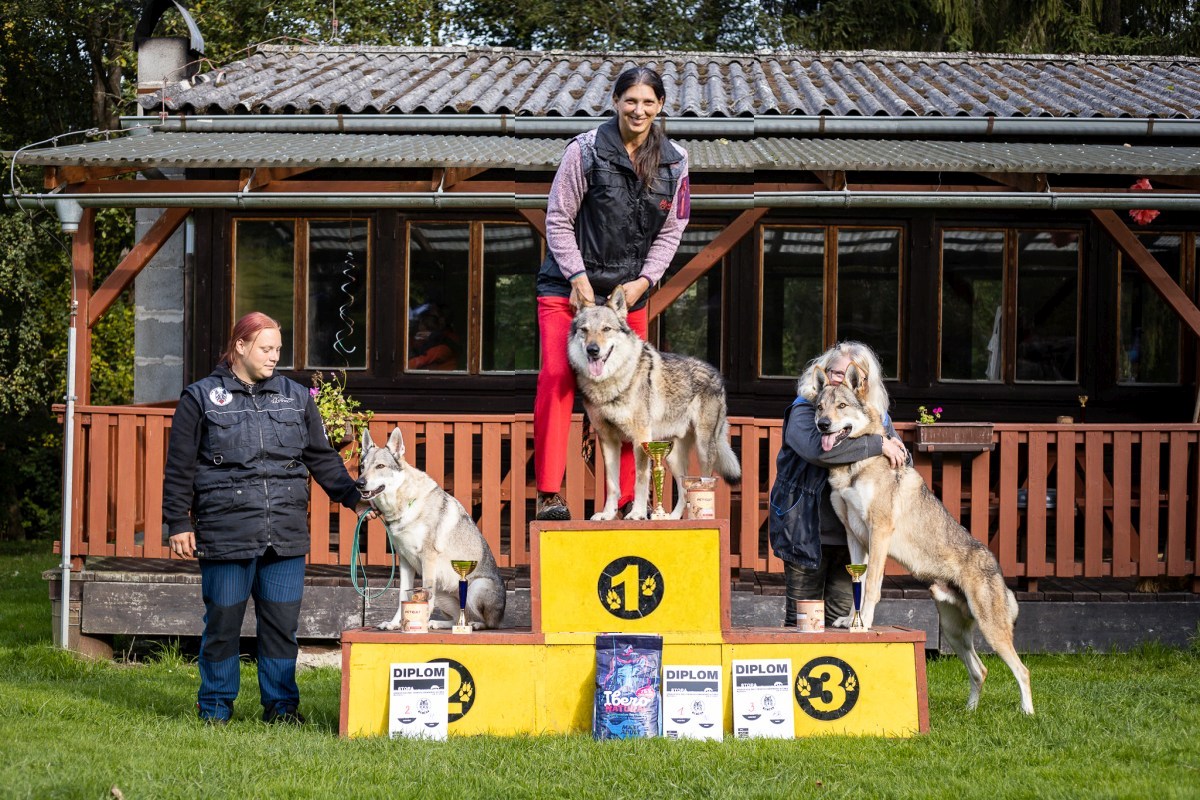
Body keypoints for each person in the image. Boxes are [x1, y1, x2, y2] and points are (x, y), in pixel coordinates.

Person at [162, 312, 367, 725]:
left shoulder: (296, 397)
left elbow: (320, 458)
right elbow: (180, 466)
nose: (275, 357)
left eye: (277, 349)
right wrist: (177, 522)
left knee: (281, 625)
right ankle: (215, 707)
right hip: (226, 530)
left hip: (285, 533)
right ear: (240, 346)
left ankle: (282, 709)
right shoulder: (200, 397)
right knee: (223, 622)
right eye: (266, 348)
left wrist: (353, 497)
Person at [533, 65, 691, 521]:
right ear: (616, 102)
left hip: (629, 296)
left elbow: (673, 230)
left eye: (648, 102)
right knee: (558, 379)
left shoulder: (677, 162)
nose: (638, 110)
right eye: (630, 100)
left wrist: (645, 281)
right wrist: (578, 278)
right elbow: (558, 219)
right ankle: (549, 493)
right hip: (568, 288)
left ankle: (627, 499)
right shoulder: (583, 151)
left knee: (630, 390)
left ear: (660, 106)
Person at [768, 342, 909, 627]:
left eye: (846, 374)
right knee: (802, 625)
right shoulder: (806, 409)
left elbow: (901, 462)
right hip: (805, 533)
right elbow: (820, 452)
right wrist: (878, 443)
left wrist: (892, 448)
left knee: (841, 623)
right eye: (832, 371)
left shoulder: (877, 416)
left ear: (863, 381)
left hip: (852, 540)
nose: (837, 379)